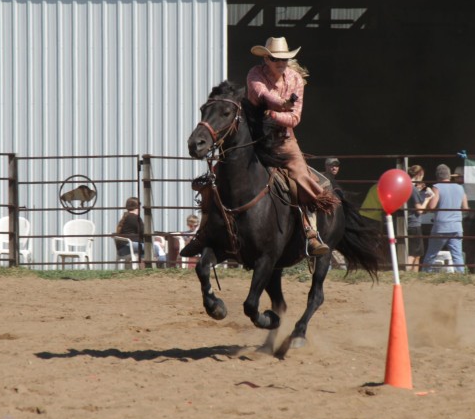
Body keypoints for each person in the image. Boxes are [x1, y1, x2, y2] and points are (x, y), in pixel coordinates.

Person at [182, 36, 337, 257]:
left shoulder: (295, 81)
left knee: (301, 179)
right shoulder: (255, 74)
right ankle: (204, 232)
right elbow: (262, 93)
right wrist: (280, 105)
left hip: (283, 139)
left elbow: (294, 119)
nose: (280, 62)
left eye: (284, 58)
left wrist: (270, 114)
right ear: (266, 58)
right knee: (215, 177)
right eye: (275, 58)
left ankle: (309, 231)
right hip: (252, 137)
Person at [422, 164, 469, 273]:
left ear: (437, 176)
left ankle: (425, 274)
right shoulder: (460, 188)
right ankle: (460, 276)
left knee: (431, 253)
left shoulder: (437, 187)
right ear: (449, 175)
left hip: (441, 227)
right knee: (457, 255)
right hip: (457, 226)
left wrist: (428, 199)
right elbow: (466, 208)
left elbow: (432, 207)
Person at [114, 197, 166, 266]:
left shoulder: (127, 217)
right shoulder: (135, 218)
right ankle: (163, 268)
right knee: (157, 247)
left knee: (145, 251)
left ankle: (147, 269)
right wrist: (157, 242)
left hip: (123, 248)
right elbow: (145, 232)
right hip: (128, 247)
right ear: (138, 207)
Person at [406, 165, 434, 271]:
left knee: (417, 254)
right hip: (414, 224)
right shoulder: (412, 188)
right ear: (420, 174)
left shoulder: (407, 186)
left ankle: (414, 277)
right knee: (413, 254)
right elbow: (420, 210)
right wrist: (428, 198)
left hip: (410, 223)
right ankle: (406, 273)